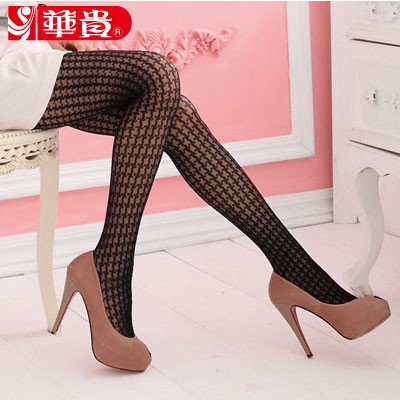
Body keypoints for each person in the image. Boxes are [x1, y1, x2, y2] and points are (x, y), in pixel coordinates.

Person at [1, 3, 390, 372]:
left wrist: (50, 26)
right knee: (156, 73)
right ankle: (114, 265)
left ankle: (290, 268)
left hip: (24, 55)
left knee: (175, 112)